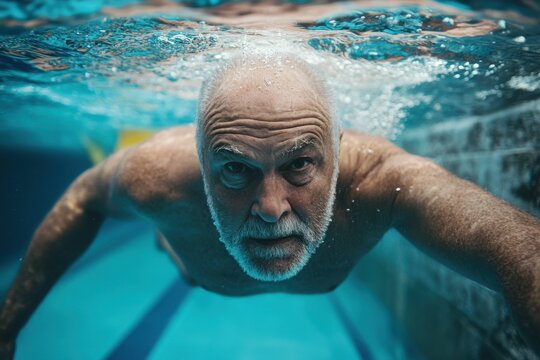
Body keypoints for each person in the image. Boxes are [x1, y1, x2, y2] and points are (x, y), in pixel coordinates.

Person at [1, 53, 539, 358]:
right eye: (236, 168)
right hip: (190, 255)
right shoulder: (158, 178)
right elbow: (82, 198)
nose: (270, 207)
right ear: (199, 159)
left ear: (338, 149)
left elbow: (516, 250)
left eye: (300, 165)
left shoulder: (382, 183)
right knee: (179, 249)